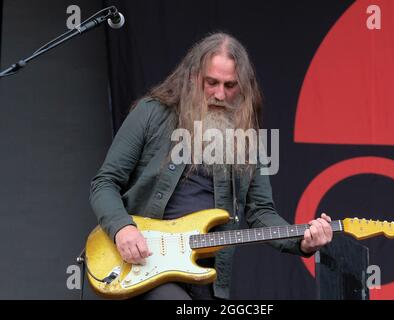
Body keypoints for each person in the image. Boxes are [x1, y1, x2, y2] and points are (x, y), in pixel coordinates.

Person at [90, 32, 333, 300]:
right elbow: (105, 183)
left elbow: (261, 212)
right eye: (212, 83)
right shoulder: (151, 113)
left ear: (244, 87)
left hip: (206, 277)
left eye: (230, 86)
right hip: (145, 267)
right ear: (193, 77)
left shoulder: (247, 140)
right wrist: (123, 228)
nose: (220, 94)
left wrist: (302, 241)